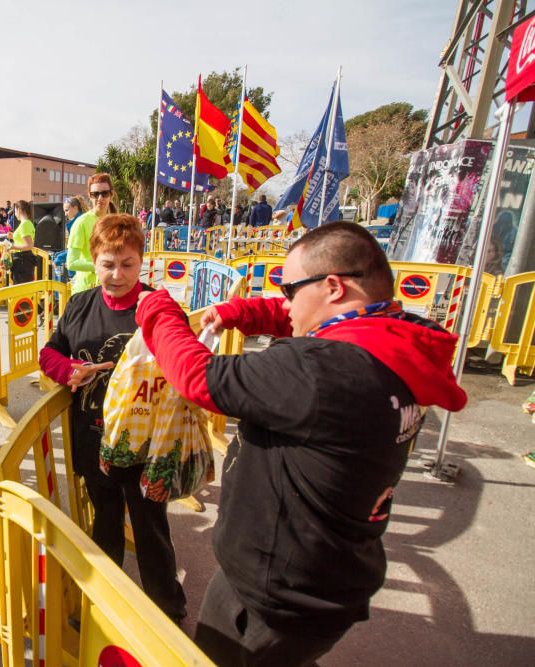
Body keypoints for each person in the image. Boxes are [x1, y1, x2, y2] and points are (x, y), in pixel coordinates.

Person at [135, 221, 467, 666]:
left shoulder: (319, 371)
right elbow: (311, 323)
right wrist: (244, 313)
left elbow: (199, 378)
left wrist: (159, 310)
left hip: (273, 593)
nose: (285, 301)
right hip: (327, 577)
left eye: (289, 289)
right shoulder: (393, 341)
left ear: (333, 286)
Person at [39, 213, 186, 623]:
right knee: (105, 520)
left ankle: (166, 609)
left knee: (150, 525)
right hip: (92, 438)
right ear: (93, 260)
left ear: (142, 263)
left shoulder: (157, 306)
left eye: (127, 264)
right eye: (108, 263)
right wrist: (69, 370)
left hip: (144, 445)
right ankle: (100, 604)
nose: (117, 274)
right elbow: (49, 352)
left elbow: (183, 355)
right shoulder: (79, 304)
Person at [67, 173, 117, 293]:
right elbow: (71, 263)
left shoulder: (115, 221)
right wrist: (99, 266)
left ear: (111, 194)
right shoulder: (81, 223)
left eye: (104, 193)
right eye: (95, 194)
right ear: (90, 196)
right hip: (86, 292)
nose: (100, 198)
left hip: (110, 288)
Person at [6, 200, 37, 283]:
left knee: (20, 288)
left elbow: (29, 245)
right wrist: (13, 236)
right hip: (22, 260)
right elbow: (25, 241)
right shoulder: (27, 223)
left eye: (15, 211)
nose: (15, 214)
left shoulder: (25, 224)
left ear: (19, 210)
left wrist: (11, 246)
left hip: (22, 261)